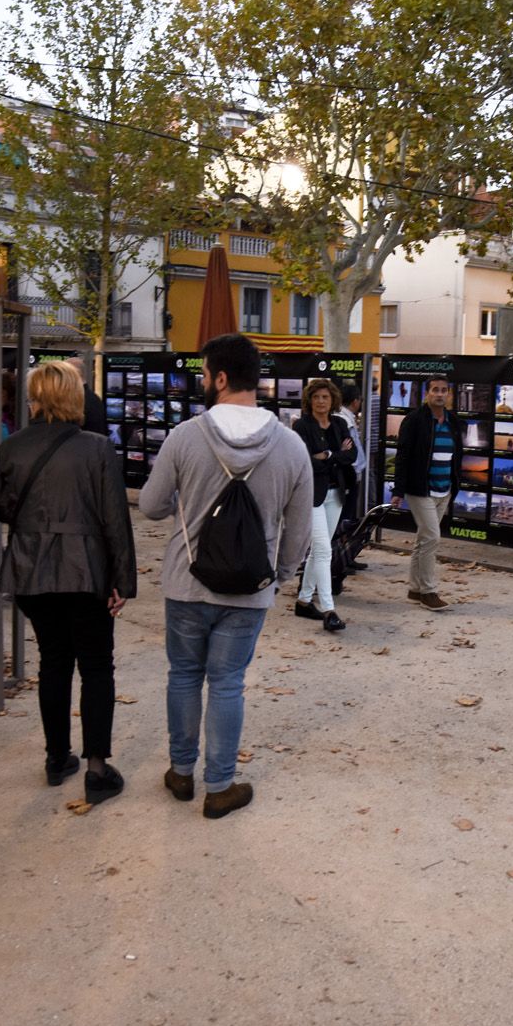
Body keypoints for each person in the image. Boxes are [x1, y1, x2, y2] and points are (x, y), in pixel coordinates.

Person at [139, 334, 312, 820]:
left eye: (203, 372)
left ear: (219, 378)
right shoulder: (291, 445)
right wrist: (276, 577)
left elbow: (151, 507)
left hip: (186, 583)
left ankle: (180, 772)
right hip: (250, 590)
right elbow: (299, 531)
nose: (201, 380)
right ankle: (220, 786)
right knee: (228, 683)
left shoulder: (184, 436)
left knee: (184, 676)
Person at [0, 361, 137, 803]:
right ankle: (96, 769)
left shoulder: (11, 447)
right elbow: (116, 518)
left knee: (53, 662)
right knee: (96, 666)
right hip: (86, 572)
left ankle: (57, 758)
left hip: (31, 571)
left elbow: (1, 508)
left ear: (35, 398)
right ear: (74, 397)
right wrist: (122, 580)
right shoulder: (95, 448)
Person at [391, 375, 462, 611]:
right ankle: (429, 591)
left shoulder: (452, 420)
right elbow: (402, 456)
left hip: (444, 489)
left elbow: (456, 455)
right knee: (432, 538)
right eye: (435, 390)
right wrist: (398, 490)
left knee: (424, 539)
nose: (439, 394)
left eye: (444, 390)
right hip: (420, 489)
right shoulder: (414, 420)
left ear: (448, 393)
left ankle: (415, 589)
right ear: (427, 393)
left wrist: (455, 483)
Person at [292, 379, 357, 632]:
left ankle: (304, 601)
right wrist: (335, 455)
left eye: (325, 397)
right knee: (322, 550)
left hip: (335, 494)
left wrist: (328, 455)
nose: (321, 401)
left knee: (321, 549)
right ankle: (329, 609)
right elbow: (305, 462)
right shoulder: (302, 427)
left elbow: (350, 456)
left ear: (333, 401)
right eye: (317, 397)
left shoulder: (340, 424)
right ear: (310, 400)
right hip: (310, 495)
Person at [335, 382, 369, 530]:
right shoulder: (346, 421)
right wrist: (357, 470)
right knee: (345, 518)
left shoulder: (340, 416)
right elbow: (352, 452)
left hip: (343, 475)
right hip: (348, 476)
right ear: (355, 401)